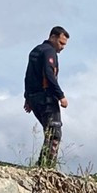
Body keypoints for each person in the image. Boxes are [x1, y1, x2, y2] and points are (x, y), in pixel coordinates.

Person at [24, 26, 70, 167]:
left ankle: (42, 164)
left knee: (48, 131)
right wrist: (61, 95)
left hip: (34, 97)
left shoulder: (35, 51)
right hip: (47, 98)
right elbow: (49, 75)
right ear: (53, 37)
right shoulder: (49, 51)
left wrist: (28, 97)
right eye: (61, 43)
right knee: (54, 133)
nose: (62, 47)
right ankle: (46, 167)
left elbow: (28, 76)